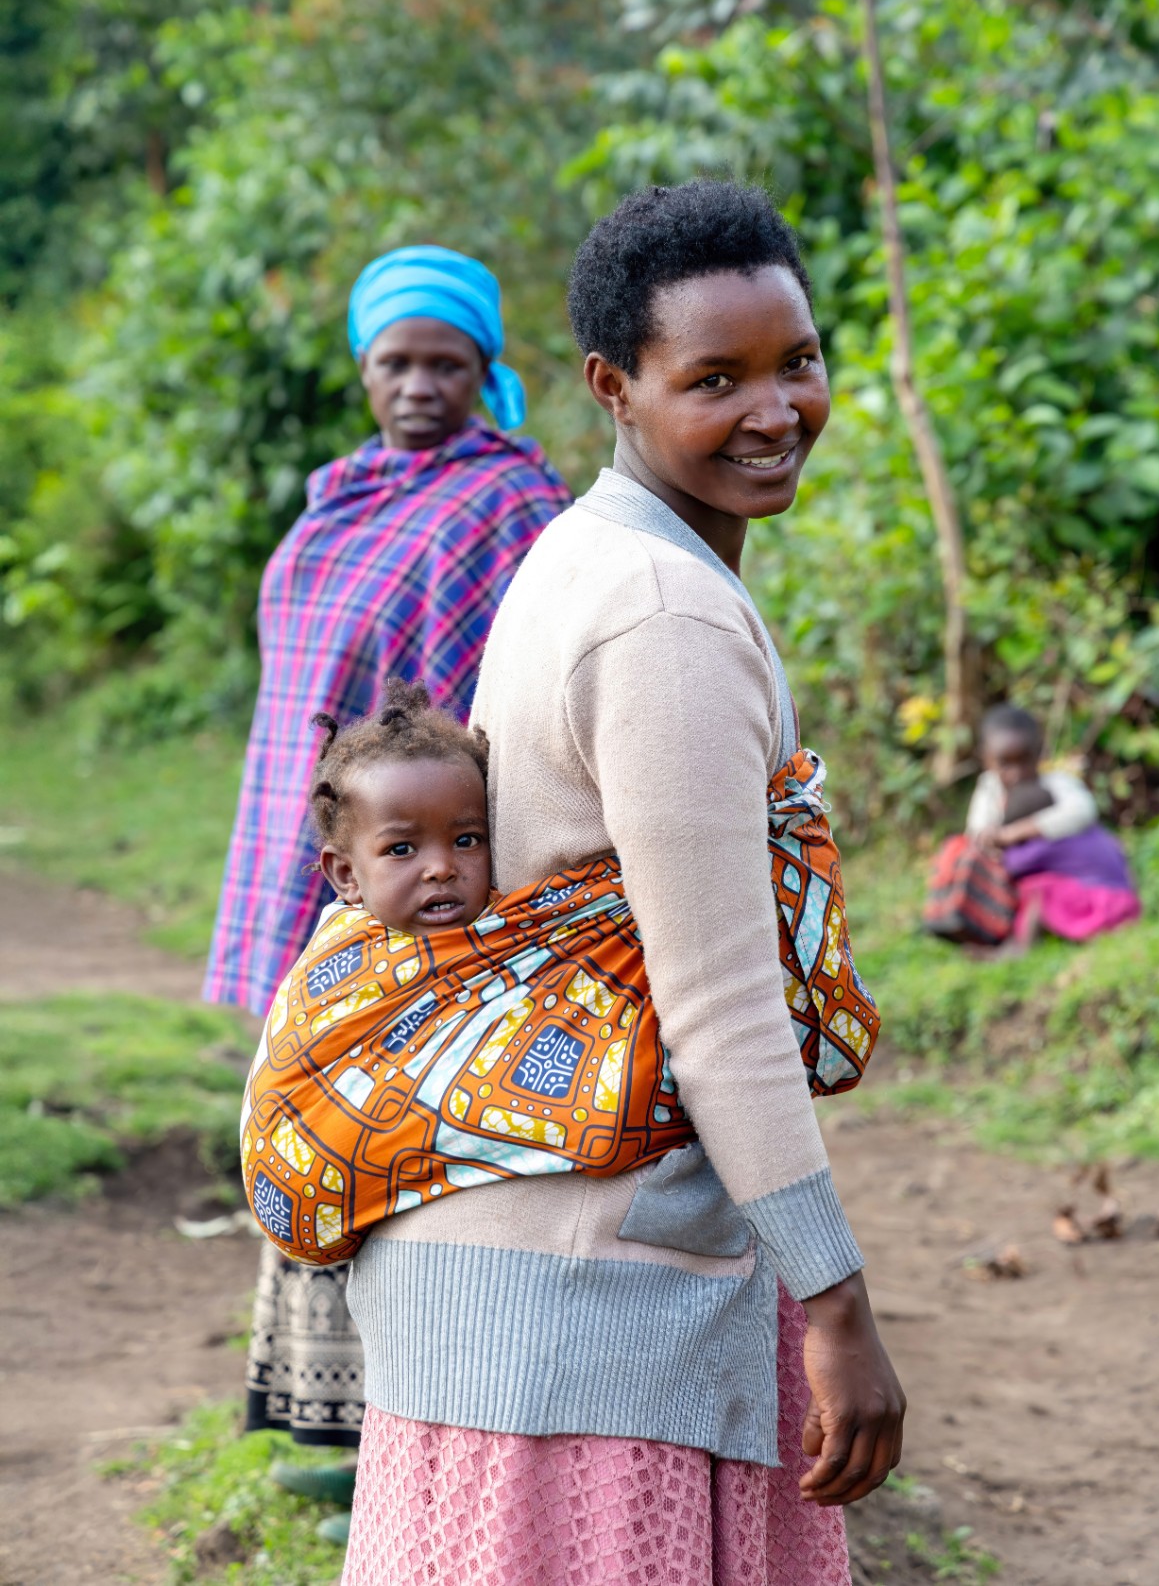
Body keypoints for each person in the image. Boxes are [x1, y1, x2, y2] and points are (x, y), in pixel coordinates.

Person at [337, 181, 905, 1586]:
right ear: (613, 387)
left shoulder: (591, 551)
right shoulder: (662, 615)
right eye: (714, 379)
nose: (775, 410)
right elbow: (719, 1006)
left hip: (512, 1257)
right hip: (591, 1288)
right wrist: (837, 1302)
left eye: (797, 362)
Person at [202, 245, 570, 1536]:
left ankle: (409, 1439)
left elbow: (515, 701)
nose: (419, 386)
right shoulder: (339, 497)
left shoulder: (511, 504)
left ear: (487, 371)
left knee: (410, 1137)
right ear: (363, 371)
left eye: (446, 363)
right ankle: (329, 1420)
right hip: (331, 854)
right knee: (313, 1114)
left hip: (431, 875)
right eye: (394, 362)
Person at [241, 677, 878, 1268]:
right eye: (402, 849)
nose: (441, 867)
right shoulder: (346, 965)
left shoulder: (536, 935)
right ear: (345, 874)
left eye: (466, 840)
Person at [925, 704, 1140, 951]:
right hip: (1059, 881)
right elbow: (977, 831)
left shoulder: (1055, 784)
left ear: (1039, 752)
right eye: (1005, 763)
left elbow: (1082, 810)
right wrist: (989, 840)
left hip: (1088, 889)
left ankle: (1018, 946)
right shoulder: (990, 788)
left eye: (1024, 760)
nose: (1016, 773)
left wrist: (1017, 832)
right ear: (986, 758)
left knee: (1034, 891)